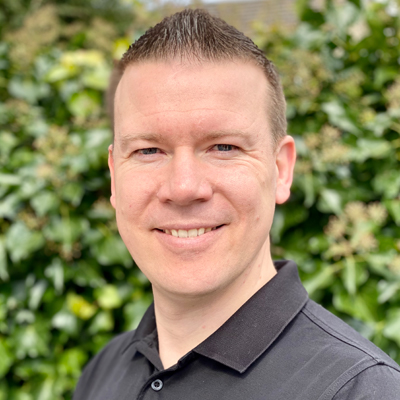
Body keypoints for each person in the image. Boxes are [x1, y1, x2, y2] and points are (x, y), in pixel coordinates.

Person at [73, 9, 400, 400]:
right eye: (148, 150)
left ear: (281, 170)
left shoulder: (361, 391)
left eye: (223, 147)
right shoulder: (103, 372)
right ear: (114, 176)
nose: (183, 187)